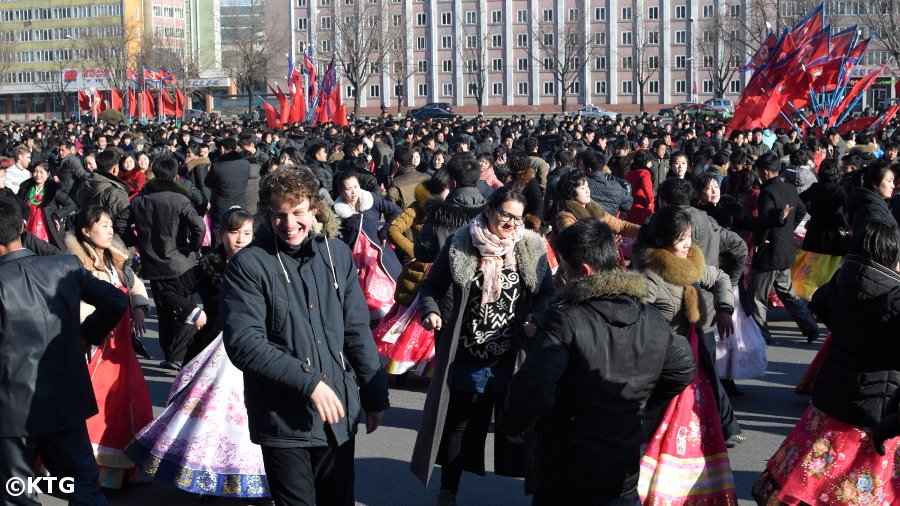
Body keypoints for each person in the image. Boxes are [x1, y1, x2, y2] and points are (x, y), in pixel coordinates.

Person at [221, 167, 389, 506]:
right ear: (268, 214)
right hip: (283, 420)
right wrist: (309, 383)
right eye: (280, 215)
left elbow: (356, 329)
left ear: (314, 208)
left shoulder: (336, 253)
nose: (289, 223)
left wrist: (374, 393)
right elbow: (244, 343)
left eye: (298, 212)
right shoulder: (249, 264)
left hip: (337, 413)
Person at [503, 218, 695, 505]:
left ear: (584, 271)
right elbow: (682, 368)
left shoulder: (566, 318)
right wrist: (641, 403)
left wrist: (513, 422)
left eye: (565, 271)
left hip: (567, 464)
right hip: (622, 463)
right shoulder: (652, 318)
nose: (563, 279)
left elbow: (534, 383)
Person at [410, 187, 555, 505]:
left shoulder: (531, 247)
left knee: (518, 427)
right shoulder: (461, 243)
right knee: (459, 425)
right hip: (467, 357)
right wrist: (431, 311)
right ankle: (449, 489)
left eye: (517, 218)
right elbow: (431, 287)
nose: (512, 223)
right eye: (506, 214)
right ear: (489, 210)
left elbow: (548, 293)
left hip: (511, 358)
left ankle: (536, 492)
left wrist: (537, 316)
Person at [127, 207, 271, 499]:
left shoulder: (265, 263)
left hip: (257, 352)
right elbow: (169, 292)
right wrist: (193, 311)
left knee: (251, 419)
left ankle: (256, 479)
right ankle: (203, 476)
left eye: (246, 233)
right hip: (212, 352)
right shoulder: (210, 266)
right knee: (209, 420)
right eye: (234, 232)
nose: (240, 239)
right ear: (221, 234)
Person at [754, 220, 900, 505]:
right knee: (860, 489)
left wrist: (848, 332)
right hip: (874, 410)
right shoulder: (894, 296)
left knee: (815, 480)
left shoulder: (843, 279)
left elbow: (818, 303)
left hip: (832, 398)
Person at [0, 197, 127, 506]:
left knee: (19, 493)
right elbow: (115, 301)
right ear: (21, 227)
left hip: (13, 411)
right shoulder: (64, 266)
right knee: (79, 485)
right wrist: (86, 335)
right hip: (66, 399)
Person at [631, 206, 738, 504]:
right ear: (662, 240)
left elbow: (721, 279)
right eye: (681, 239)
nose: (688, 243)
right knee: (662, 429)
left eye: (690, 236)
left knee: (699, 425)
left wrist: (724, 308)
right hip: (663, 366)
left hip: (694, 359)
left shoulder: (690, 264)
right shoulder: (649, 276)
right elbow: (633, 320)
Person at [65, 205, 154, 488]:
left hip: (122, 347)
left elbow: (135, 285)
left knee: (133, 403)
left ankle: (124, 469)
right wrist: (92, 331)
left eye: (110, 225)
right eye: (102, 225)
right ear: (85, 231)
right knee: (102, 407)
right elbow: (78, 305)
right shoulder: (79, 264)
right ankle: (92, 471)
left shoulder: (117, 260)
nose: (110, 229)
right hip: (99, 348)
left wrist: (139, 306)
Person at [130, 157, 206, 368]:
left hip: (153, 263)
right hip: (180, 263)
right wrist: (193, 246)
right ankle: (179, 355)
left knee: (163, 309)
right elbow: (199, 226)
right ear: (175, 177)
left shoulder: (139, 200)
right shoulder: (180, 200)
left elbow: (121, 223)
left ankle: (171, 355)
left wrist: (135, 241)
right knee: (186, 306)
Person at [743, 152, 820, 344]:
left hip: (769, 253)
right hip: (785, 249)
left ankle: (762, 336)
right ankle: (810, 327)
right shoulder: (790, 188)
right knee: (788, 293)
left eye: (760, 172)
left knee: (756, 297)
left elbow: (766, 220)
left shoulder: (767, 191)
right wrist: (788, 230)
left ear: (766, 172)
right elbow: (801, 210)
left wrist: (760, 243)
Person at [332, 171, 403, 319]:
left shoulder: (372, 200)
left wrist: (385, 231)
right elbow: (331, 235)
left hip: (377, 256)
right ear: (340, 191)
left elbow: (396, 211)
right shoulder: (335, 211)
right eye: (348, 189)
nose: (353, 192)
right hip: (354, 260)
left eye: (356, 187)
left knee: (388, 295)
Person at [792, 158, 849, 300]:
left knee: (811, 268)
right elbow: (849, 206)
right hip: (833, 235)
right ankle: (826, 296)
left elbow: (799, 199)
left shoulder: (815, 187)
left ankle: (808, 294)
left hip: (815, 232)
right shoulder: (838, 190)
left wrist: (812, 212)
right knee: (830, 270)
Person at [16, 161, 75, 249]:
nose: (38, 175)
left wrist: (56, 215)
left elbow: (71, 204)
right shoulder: (26, 187)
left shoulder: (53, 189)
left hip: (47, 223)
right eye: (35, 171)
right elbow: (17, 203)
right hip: (28, 222)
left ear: (48, 174)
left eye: (41, 172)